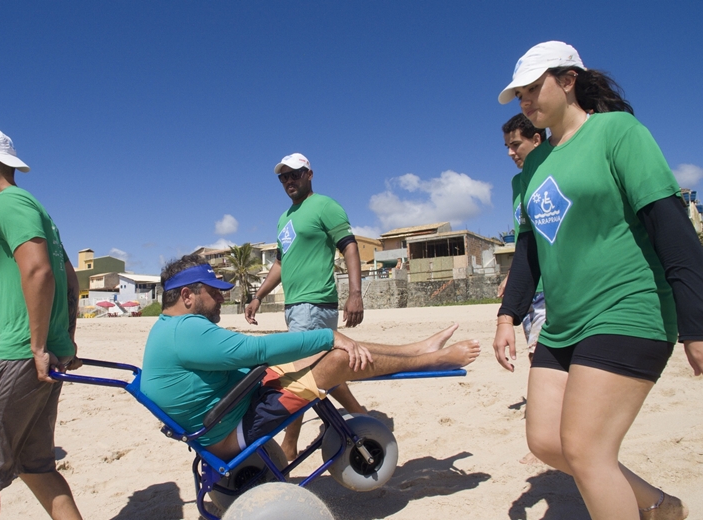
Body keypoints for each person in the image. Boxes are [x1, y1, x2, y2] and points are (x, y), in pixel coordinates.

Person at [493, 41, 703, 519]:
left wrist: (697, 324)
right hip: (564, 322)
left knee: (587, 450)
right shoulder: (533, 169)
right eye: (519, 94)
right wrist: (509, 316)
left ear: (568, 81)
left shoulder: (617, 132)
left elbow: (670, 225)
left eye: (532, 89)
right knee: (548, 442)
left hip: (628, 308)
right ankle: (659, 506)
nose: (525, 101)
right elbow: (529, 251)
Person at [141, 255, 481, 460]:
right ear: (187, 295)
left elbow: (239, 360)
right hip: (227, 431)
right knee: (335, 359)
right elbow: (254, 350)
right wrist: (330, 334)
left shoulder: (169, 327)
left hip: (231, 409)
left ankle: (416, 349)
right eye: (213, 292)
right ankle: (430, 360)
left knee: (321, 353)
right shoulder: (185, 330)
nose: (220, 298)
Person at [0, 127, 83, 520]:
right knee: (34, 464)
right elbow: (70, 281)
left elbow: (40, 272)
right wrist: (64, 343)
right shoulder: (37, 208)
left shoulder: (7, 203)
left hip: (20, 354)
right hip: (44, 354)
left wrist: (39, 345)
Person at [244, 153, 367, 460]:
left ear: (309, 174)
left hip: (314, 303)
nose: (289, 181)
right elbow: (280, 263)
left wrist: (355, 293)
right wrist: (258, 296)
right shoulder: (284, 218)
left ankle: (290, 443)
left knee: (299, 376)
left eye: (295, 174)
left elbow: (349, 246)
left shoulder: (324, 205)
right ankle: (360, 417)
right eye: (283, 177)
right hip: (296, 306)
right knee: (320, 369)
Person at [497, 113, 547, 362]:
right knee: (535, 356)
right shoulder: (518, 182)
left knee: (542, 355)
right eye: (507, 146)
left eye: (515, 144)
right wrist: (513, 275)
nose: (510, 152)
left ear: (537, 139)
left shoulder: (553, 173)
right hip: (530, 290)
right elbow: (525, 239)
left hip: (551, 286)